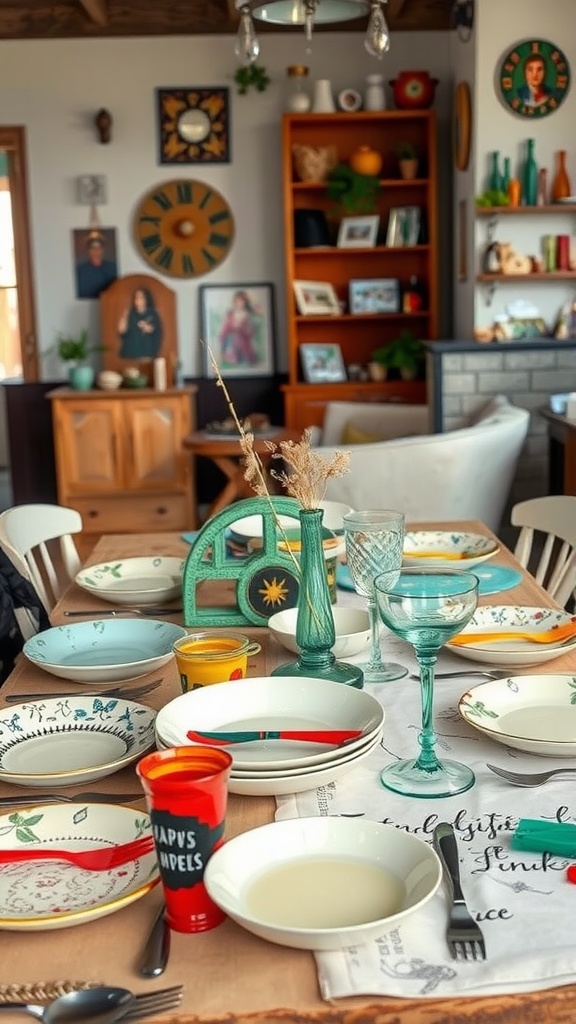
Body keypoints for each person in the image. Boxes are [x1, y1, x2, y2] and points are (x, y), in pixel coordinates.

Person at [118, 286, 163, 359]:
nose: (138, 299)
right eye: (136, 297)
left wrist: (146, 326)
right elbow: (121, 331)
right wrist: (124, 317)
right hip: (130, 354)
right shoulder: (130, 314)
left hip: (146, 353)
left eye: (141, 297)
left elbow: (155, 330)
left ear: (146, 299)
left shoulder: (153, 314)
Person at [218, 290, 259, 366]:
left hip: (243, 338)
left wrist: (241, 328)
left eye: (241, 301)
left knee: (240, 342)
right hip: (230, 338)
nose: (238, 303)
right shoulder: (230, 313)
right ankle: (230, 356)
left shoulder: (247, 314)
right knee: (230, 339)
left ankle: (241, 357)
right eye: (236, 301)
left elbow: (250, 330)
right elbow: (225, 327)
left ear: (245, 302)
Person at [75, 231, 117, 299]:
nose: (95, 251)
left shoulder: (112, 268)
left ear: (102, 250)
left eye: (98, 248)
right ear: (88, 251)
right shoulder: (80, 270)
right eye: (92, 249)